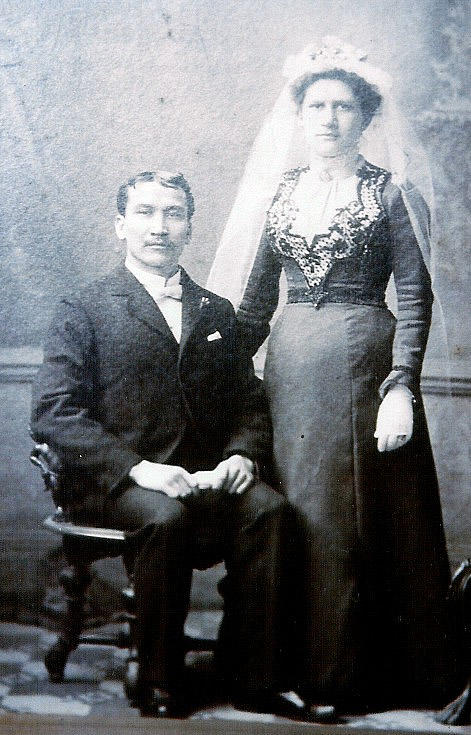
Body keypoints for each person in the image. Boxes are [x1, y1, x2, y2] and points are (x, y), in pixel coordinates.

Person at [207, 38, 462, 715]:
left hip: (362, 365)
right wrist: (215, 376)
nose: (327, 118)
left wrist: (400, 384)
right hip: (289, 366)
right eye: (315, 105)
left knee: (342, 517)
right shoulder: (281, 194)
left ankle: (341, 672)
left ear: (365, 115)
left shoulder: (390, 192)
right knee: (290, 508)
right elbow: (257, 304)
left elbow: (413, 296)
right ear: (298, 115)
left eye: (342, 106)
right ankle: (277, 666)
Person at [30, 169, 330, 721]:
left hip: (200, 477)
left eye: (173, 214)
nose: (159, 227)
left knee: (270, 511)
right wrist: (136, 469)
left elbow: (246, 400)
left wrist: (242, 454)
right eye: (144, 213)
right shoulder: (85, 307)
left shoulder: (215, 311)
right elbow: (54, 412)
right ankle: (159, 677)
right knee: (164, 519)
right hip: (115, 482)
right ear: (121, 225)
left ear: (190, 227)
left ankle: (255, 676)